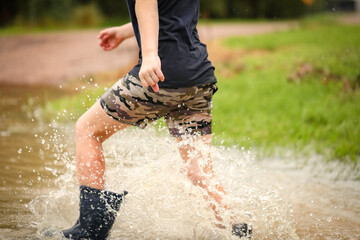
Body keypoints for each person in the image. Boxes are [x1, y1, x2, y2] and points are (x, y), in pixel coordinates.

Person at [47, 0, 251, 239]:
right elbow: (170, 12)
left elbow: (148, 3)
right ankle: (238, 227)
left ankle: (90, 228)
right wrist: (124, 32)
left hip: (161, 74)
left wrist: (151, 56)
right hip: (198, 76)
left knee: (87, 129)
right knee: (199, 170)